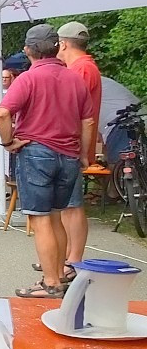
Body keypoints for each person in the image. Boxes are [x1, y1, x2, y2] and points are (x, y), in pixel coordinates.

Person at [0, 24, 94, 299]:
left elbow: (3, 114)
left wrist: (8, 143)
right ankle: (60, 275)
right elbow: (87, 120)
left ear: (28, 50)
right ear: (56, 47)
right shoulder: (75, 78)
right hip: (69, 155)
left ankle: (50, 283)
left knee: (40, 220)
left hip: (36, 152)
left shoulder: (28, 79)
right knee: (57, 217)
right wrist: (84, 154)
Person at [56, 21, 102, 268]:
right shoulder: (84, 67)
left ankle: (74, 260)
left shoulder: (81, 70)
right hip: (71, 143)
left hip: (71, 144)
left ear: (63, 44)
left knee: (72, 205)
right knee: (66, 204)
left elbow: (73, 110)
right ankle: (65, 255)